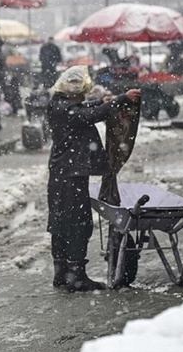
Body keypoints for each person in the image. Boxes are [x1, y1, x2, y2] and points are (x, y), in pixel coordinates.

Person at [46, 65, 141, 292]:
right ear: (71, 91)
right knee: (78, 223)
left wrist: (102, 100)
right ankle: (77, 275)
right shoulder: (69, 110)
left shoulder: (57, 105)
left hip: (61, 172)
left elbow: (84, 108)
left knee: (59, 222)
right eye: (80, 93)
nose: (82, 97)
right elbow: (89, 114)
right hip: (72, 174)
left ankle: (62, 272)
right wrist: (120, 99)